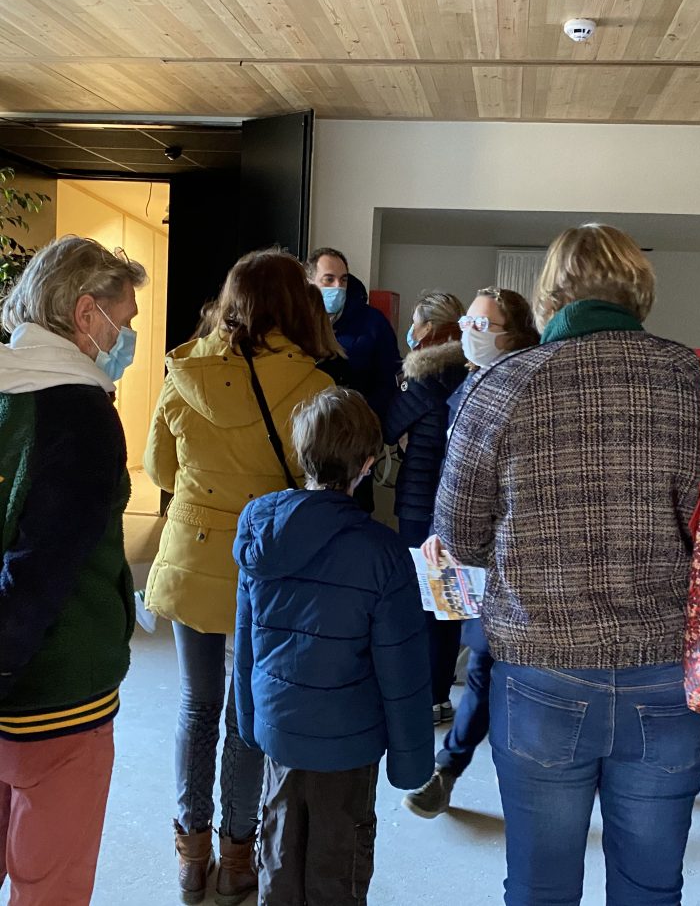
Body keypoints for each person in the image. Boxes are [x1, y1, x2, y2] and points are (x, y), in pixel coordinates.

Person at [433, 225, 700, 906]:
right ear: (640, 291)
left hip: (539, 674)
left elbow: (460, 537)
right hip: (674, 674)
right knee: (651, 886)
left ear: (553, 292)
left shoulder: (502, 385)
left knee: (540, 883)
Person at [143, 249, 334, 906]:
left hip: (192, 556)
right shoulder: (311, 384)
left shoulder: (182, 367)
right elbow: (319, 486)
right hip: (267, 569)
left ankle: (189, 859)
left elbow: (160, 468)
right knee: (247, 716)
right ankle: (237, 859)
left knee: (196, 705)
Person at [234, 386, 433, 906]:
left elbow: (248, 641)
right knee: (336, 864)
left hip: (279, 727)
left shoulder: (259, 528)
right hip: (348, 743)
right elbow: (404, 670)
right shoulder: (383, 554)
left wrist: (249, 719)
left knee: (278, 849)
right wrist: (412, 763)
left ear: (302, 455)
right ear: (367, 463)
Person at [0, 236, 147, 906]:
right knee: (49, 884)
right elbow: (45, 569)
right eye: (126, 319)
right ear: (88, 315)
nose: (128, 336)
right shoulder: (83, 414)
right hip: (56, 694)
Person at [404, 286, 539, 819]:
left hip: (521, 558)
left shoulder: (529, 389)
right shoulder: (467, 383)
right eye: (466, 322)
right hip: (470, 553)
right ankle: (448, 770)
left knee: (511, 675)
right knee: (482, 665)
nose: (468, 333)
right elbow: (455, 474)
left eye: (482, 326)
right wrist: (444, 526)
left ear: (515, 335)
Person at [384, 291, 467, 724]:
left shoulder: (422, 374)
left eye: (416, 324)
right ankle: (439, 695)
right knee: (448, 603)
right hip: (456, 502)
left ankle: (419, 697)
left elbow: (388, 425)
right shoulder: (470, 372)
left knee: (419, 599)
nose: (411, 332)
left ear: (429, 329)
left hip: (419, 501)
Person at [306, 247, 399, 422]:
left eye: (343, 280)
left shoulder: (373, 322)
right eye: (329, 279)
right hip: (304, 428)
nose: (338, 287)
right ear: (309, 282)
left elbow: (389, 378)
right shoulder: (294, 323)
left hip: (357, 429)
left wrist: (364, 417)